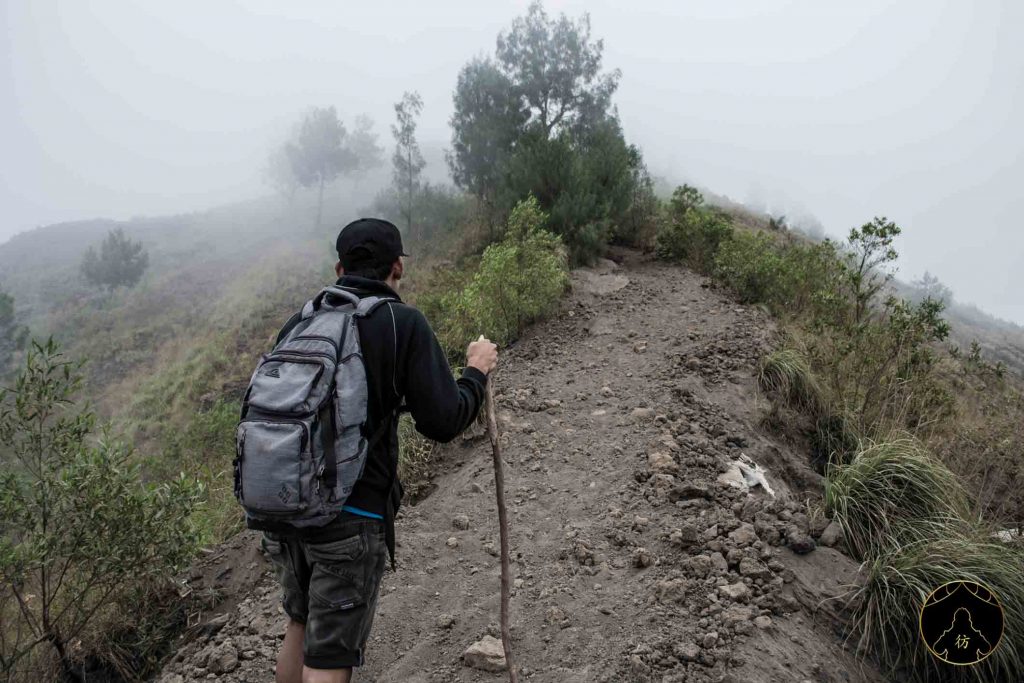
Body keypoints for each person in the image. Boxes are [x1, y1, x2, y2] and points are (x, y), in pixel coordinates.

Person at [260, 217, 498, 683]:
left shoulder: (301, 321)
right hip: (352, 517)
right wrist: (476, 373)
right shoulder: (399, 322)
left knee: (301, 623)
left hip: (283, 510)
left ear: (338, 267)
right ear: (397, 268)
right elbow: (444, 421)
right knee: (329, 656)